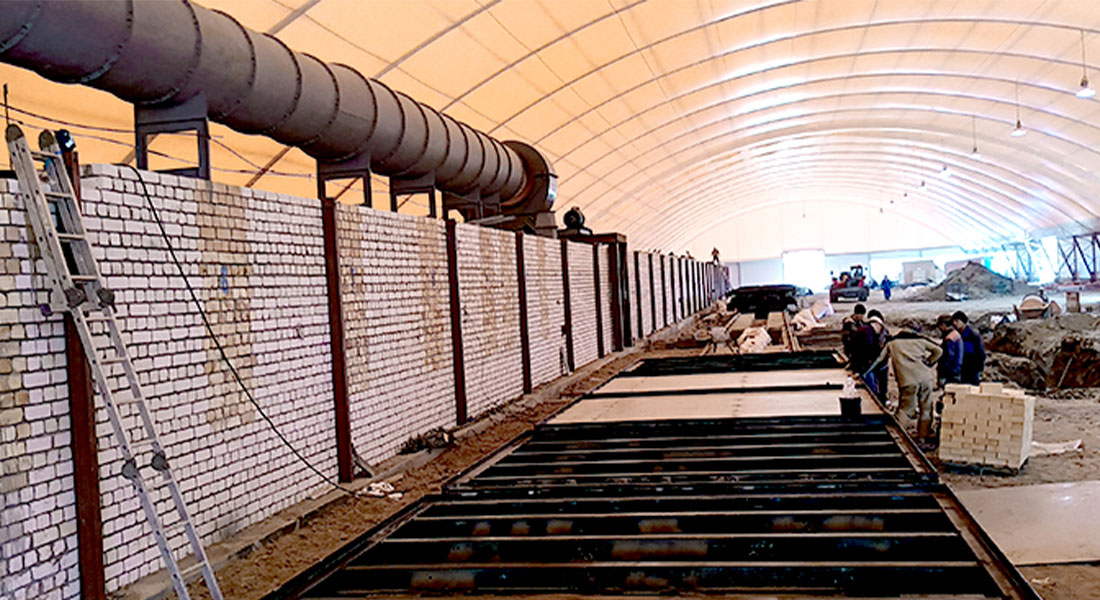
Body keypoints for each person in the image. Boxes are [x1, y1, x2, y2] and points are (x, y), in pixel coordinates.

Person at [866, 324, 943, 447]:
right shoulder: (920, 341)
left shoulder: (893, 344)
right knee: (926, 408)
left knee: (906, 409)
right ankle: (923, 436)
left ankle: (899, 437)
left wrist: (866, 372)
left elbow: (879, 359)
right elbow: (939, 350)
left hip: (908, 381)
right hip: (926, 378)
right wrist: (929, 362)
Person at [849, 315, 885, 395]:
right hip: (864, 364)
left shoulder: (864, 329)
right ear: (876, 324)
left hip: (858, 362)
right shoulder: (868, 332)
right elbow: (867, 349)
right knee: (870, 385)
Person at [953, 311, 986, 385]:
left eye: (957, 321)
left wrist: (979, 368)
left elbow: (980, 353)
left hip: (971, 367)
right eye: (954, 321)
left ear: (963, 321)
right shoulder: (955, 335)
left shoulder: (973, 335)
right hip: (961, 368)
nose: (955, 323)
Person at [936, 314, 963, 386]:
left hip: (949, 372)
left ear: (943, 325)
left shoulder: (949, 338)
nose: (939, 328)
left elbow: (948, 356)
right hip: (956, 369)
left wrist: (943, 372)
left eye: (940, 326)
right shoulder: (955, 334)